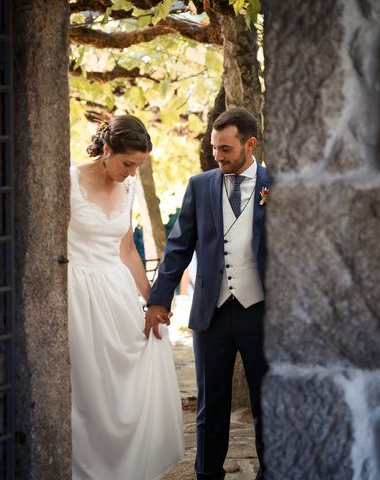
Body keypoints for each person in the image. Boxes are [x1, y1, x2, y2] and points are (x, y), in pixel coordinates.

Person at [145, 108, 269, 480]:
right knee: (210, 405)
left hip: (263, 314)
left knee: (270, 406)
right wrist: (158, 298)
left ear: (250, 144)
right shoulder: (200, 186)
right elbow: (179, 248)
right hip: (211, 314)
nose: (218, 155)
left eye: (226, 148)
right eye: (214, 148)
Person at [68, 115, 183, 479]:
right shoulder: (68, 179)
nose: (132, 173)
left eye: (139, 166)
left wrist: (153, 302)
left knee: (130, 373)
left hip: (116, 291)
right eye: (128, 163)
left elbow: (128, 251)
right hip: (76, 291)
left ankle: (126, 467)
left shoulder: (130, 188)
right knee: (88, 387)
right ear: (106, 151)